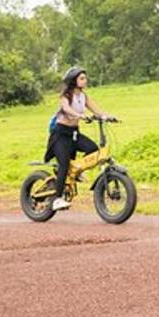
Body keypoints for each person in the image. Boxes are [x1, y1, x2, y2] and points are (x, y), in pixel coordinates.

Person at [45, 66, 112, 210]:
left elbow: (96, 110)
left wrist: (107, 117)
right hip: (60, 135)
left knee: (93, 149)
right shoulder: (66, 96)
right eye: (81, 78)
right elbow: (66, 109)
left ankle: (76, 172)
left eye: (85, 78)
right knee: (63, 164)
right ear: (74, 81)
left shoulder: (83, 96)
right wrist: (78, 114)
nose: (85, 80)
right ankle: (57, 199)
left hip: (74, 134)